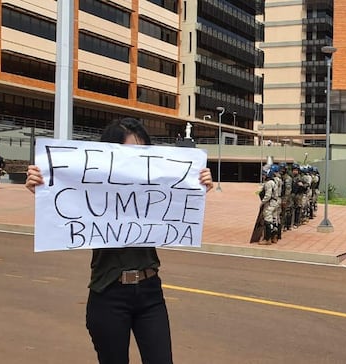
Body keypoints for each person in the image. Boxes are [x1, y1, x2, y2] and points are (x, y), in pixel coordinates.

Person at [25, 118, 214, 364]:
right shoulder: (94, 189)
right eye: (129, 154)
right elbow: (66, 205)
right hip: (108, 293)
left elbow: (175, 205)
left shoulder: (152, 186)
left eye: (143, 153)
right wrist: (44, 188)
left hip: (150, 292)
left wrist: (195, 186)